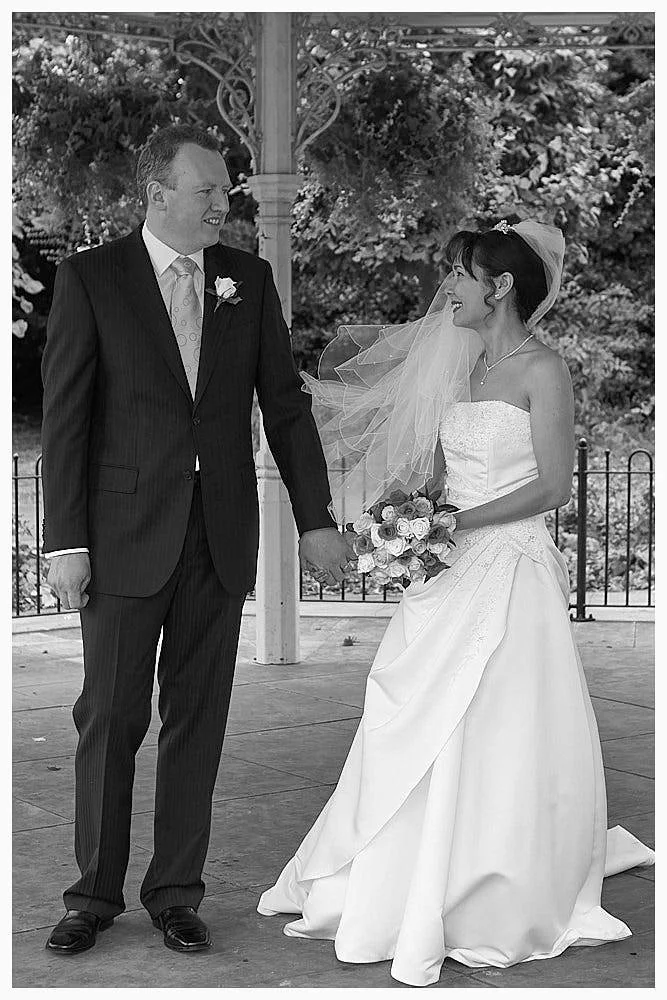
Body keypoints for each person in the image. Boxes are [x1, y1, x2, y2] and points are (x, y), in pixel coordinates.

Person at [257, 219, 654, 986]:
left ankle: (491, 879)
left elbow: (550, 487)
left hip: (509, 570)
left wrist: (451, 524)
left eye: (459, 275)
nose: (447, 288)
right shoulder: (464, 373)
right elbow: (440, 480)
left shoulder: (544, 370)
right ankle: (398, 867)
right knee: (409, 710)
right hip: (447, 570)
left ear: (499, 287)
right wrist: (404, 521)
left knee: (500, 721)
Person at [41, 123, 354, 956]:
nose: (225, 203)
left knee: (198, 718)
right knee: (109, 716)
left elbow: (282, 406)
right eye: (209, 190)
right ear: (158, 193)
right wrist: (65, 542)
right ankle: (92, 896)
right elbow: (66, 422)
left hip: (217, 539)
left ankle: (176, 890)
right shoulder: (90, 278)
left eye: (227, 191)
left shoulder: (247, 281)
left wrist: (315, 516)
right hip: (118, 539)